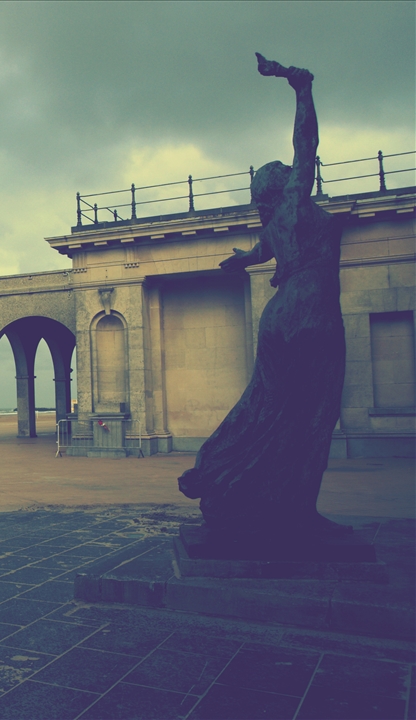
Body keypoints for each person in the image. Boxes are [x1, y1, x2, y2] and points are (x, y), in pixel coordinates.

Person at [177, 53, 349, 539]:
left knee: (266, 406)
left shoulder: (274, 223)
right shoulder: (296, 201)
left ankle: (219, 473)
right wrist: (301, 88)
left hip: (279, 317)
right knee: (312, 415)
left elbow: (259, 252)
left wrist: (242, 260)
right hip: (312, 312)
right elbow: (306, 141)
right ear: (285, 186)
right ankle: (293, 510)